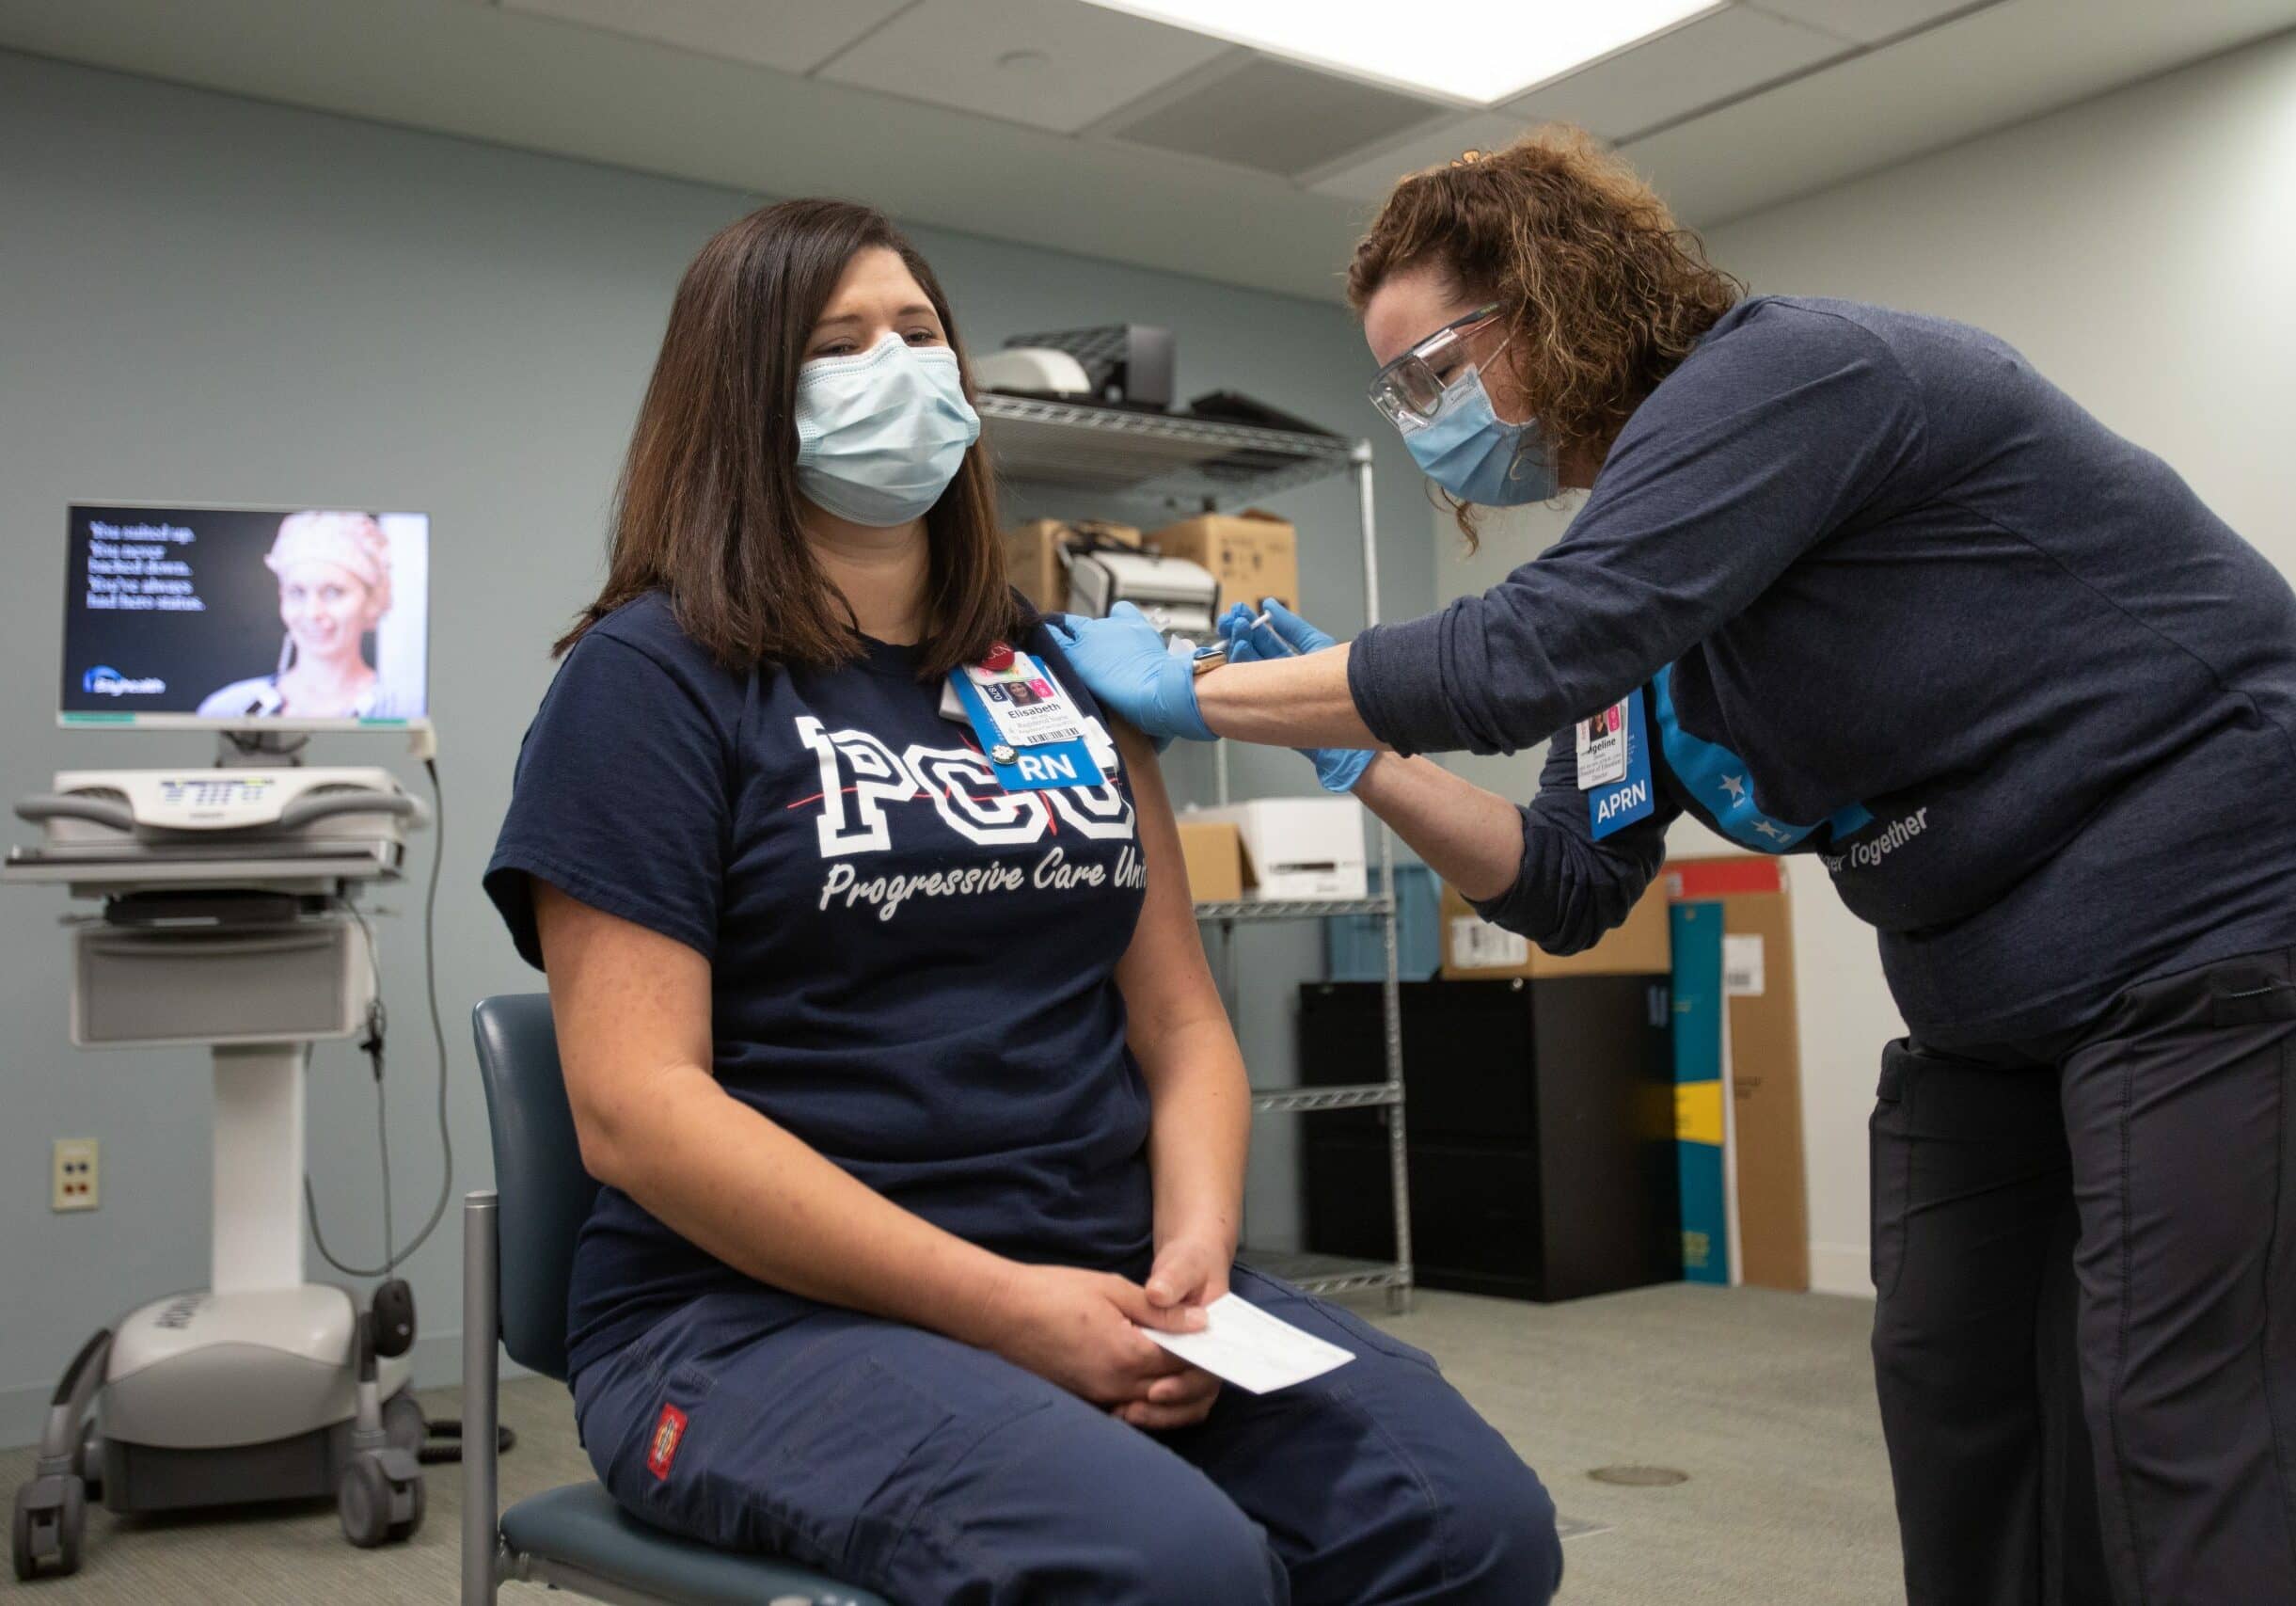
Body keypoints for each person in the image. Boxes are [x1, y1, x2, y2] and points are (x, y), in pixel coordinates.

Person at [1052, 130, 2296, 1605]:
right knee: (1955, 1392)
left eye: (1432, 370)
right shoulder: (1657, 579)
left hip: (2199, 927)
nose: (1422, 419)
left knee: (2170, 1416)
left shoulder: (1789, 376)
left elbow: (1518, 653)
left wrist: (1199, 692)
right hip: (1985, 994)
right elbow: (1565, 878)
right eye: (1398, 393)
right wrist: (1363, 758)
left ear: (1552, 295)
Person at [483, 198, 1561, 1605]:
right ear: (740, 395)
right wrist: (1005, 1308)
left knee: (1469, 1527)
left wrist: (1194, 1250)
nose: (897, 366)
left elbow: (1180, 1024)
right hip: (746, 1320)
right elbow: (636, 1108)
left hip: (1102, 1270)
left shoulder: (1050, 674)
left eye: (919, 332)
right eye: (837, 345)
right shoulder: (648, 681)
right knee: (1167, 1568)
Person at [198, 509, 410, 719]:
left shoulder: (403, 708)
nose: (312, 612)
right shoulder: (229, 709)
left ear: (372, 601)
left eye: (333, 592)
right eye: (297, 593)